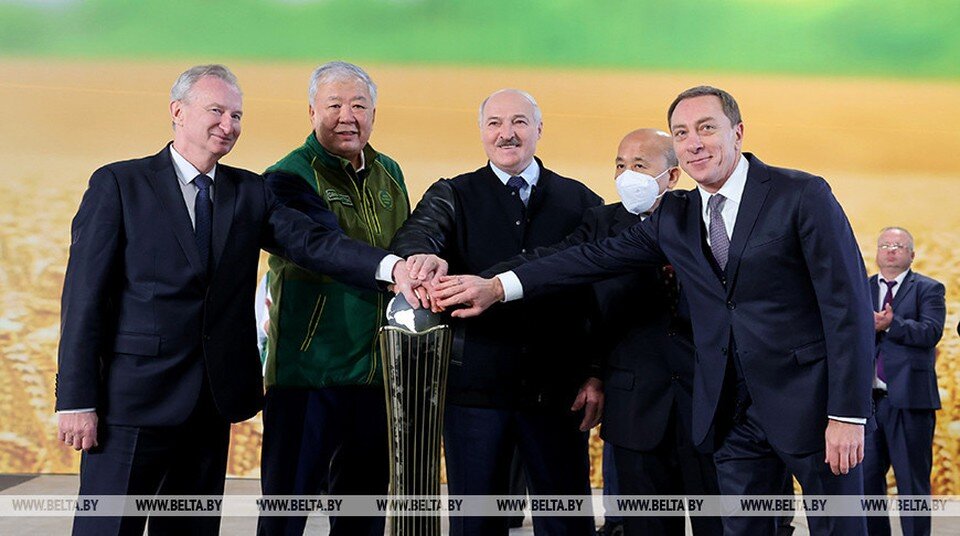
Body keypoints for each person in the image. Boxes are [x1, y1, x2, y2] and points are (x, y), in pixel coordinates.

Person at [433, 86, 875, 536]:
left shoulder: (800, 194)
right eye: (683, 133)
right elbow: (585, 258)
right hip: (729, 418)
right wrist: (497, 286)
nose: (695, 142)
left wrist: (848, 414)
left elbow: (849, 309)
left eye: (707, 128)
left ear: (737, 132)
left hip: (812, 409)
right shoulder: (676, 216)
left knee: (838, 527)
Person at [54, 64, 431, 536]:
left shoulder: (248, 191)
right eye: (216, 111)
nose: (227, 125)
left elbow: (312, 242)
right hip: (130, 406)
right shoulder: (120, 185)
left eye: (236, 115)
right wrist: (75, 399)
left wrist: (392, 268)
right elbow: (84, 299)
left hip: (210, 406)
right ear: (177, 112)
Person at [486, 128, 722, 536]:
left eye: (640, 165)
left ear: (674, 175)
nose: (627, 174)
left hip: (708, 409)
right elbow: (562, 269)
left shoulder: (710, 218)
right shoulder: (601, 223)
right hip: (636, 410)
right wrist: (488, 283)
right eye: (620, 164)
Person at [391, 88, 603, 536]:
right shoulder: (453, 193)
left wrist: (595, 373)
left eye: (520, 122)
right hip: (473, 396)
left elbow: (599, 297)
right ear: (482, 132)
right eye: (495, 124)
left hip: (556, 395)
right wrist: (421, 259)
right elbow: (418, 236)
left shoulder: (581, 201)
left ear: (539, 130)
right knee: (476, 523)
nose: (507, 134)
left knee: (567, 524)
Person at [256, 61, 417, 536]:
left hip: (375, 370)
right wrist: (394, 269)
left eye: (359, 105)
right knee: (288, 508)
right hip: (309, 371)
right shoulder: (286, 176)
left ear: (374, 113)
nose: (347, 116)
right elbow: (320, 247)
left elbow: (406, 240)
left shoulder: (389, 171)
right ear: (311, 112)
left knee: (363, 508)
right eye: (334, 105)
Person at [864, 227, 945, 536]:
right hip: (869, 405)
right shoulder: (862, 288)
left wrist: (890, 324)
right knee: (867, 484)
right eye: (885, 244)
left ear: (912, 254)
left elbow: (930, 332)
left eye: (899, 245)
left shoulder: (929, 289)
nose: (891, 250)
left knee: (912, 484)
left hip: (911, 401)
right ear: (877, 252)